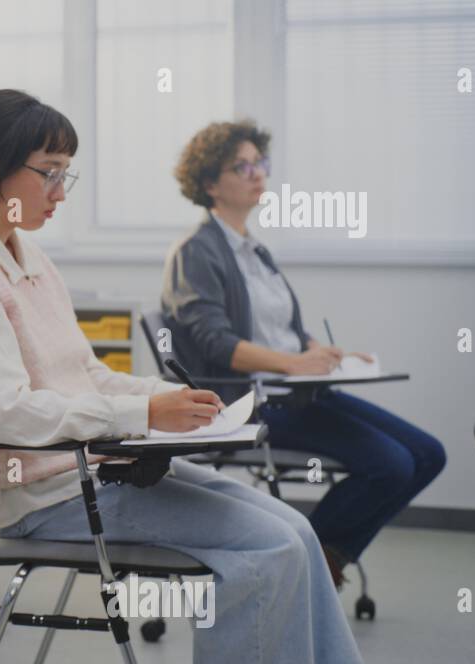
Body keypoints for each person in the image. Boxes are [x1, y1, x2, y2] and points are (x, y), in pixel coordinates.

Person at [0, 89, 370, 664]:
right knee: (268, 551)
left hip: (91, 472)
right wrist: (139, 414)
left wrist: (160, 400)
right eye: (49, 175)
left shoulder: (25, 255)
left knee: (298, 531)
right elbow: (7, 415)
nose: (59, 193)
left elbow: (85, 371)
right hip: (50, 499)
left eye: (64, 176)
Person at [162, 120, 446, 587]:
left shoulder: (254, 250)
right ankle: (308, 559)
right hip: (254, 401)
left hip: (299, 391)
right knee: (392, 465)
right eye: (242, 166)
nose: (258, 174)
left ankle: (320, 557)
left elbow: (280, 329)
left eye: (260, 163)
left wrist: (321, 351)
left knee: (429, 454)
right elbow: (216, 343)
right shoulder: (196, 251)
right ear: (210, 183)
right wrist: (295, 363)